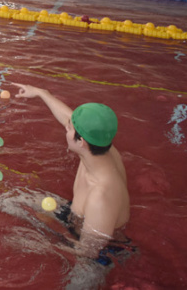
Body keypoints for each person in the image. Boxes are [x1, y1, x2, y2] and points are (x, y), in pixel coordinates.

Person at [13, 83, 130, 259]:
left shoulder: (101, 197)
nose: (66, 128)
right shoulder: (102, 147)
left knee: (78, 282)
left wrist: (38, 242)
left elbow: (87, 252)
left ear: (81, 141)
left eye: (69, 128)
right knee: (8, 201)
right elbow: (67, 117)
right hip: (77, 216)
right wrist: (40, 92)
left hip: (99, 251)